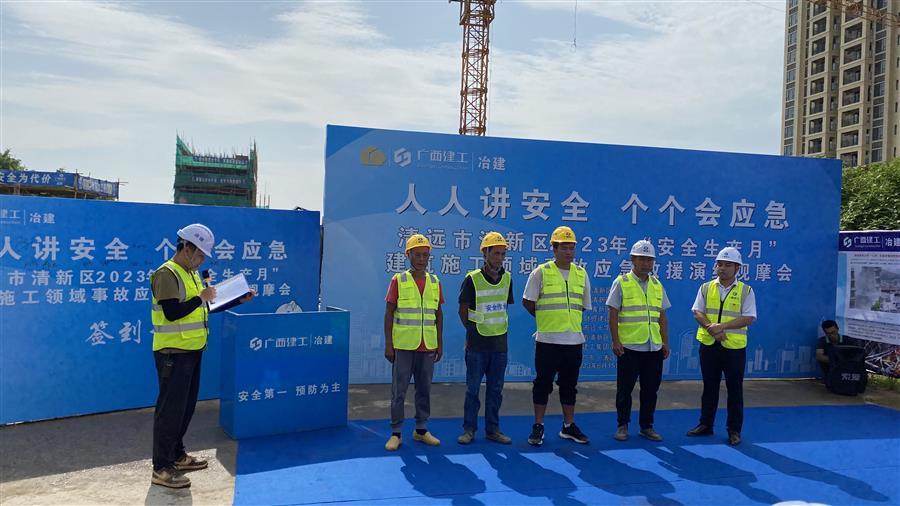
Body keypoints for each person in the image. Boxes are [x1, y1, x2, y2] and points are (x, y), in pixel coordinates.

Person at [150, 223, 255, 489]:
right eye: (199, 255)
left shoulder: (192, 274)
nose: (201, 261)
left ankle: (177, 455)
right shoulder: (166, 274)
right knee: (170, 411)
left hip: (193, 350)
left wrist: (237, 300)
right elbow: (172, 312)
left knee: (184, 408)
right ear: (186, 248)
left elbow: (205, 307)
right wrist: (200, 297)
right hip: (172, 353)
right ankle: (161, 467)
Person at [522, 226, 592, 446]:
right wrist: (547, 318)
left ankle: (568, 426)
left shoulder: (581, 274)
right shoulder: (541, 272)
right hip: (548, 341)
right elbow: (528, 302)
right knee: (543, 384)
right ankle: (538, 426)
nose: (568, 252)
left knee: (569, 385)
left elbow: (583, 305)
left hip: (574, 341)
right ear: (554, 249)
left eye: (572, 248)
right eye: (564, 248)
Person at [687, 246, 756, 447]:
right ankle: (705, 424)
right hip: (709, 345)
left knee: (735, 389)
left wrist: (722, 327)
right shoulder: (706, 287)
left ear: (737, 268)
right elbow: (697, 311)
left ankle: (734, 430)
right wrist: (712, 329)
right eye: (720, 264)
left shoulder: (746, 291)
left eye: (728, 265)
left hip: (734, 347)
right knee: (709, 387)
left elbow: (749, 317)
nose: (722, 268)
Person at [383, 234, 444, 451]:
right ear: (408, 255)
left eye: (425, 255)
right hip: (403, 346)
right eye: (417, 255)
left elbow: (438, 314)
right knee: (399, 391)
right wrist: (389, 344)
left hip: (427, 345)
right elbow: (389, 313)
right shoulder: (398, 280)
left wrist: (439, 343)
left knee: (424, 389)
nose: (421, 259)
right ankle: (396, 433)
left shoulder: (435, 282)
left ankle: (421, 429)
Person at [607, 240, 671, 442]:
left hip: (653, 346)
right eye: (642, 259)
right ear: (633, 260)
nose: (646, 263)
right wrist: (616, 341)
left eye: (649, 260)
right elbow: (613, 314)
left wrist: (665, 342)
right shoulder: (622, 282)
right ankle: (622, 425)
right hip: (629, 346)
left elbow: (662, 317)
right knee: (624, 389)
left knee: (651, 390)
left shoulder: (657, 285)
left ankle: (646, 426)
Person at [457, 232, 515, 445]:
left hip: (499, 345)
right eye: (496, 253)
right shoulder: (472, 279)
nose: (500, 258)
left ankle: (493, 430)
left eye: (503, 254)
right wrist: (472, 331)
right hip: (477, 345)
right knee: (472, 390)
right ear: (485, 253)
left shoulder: (507, 279)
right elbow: (463, 310)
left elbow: (503, 306)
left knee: (495, 390)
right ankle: (469, 430)